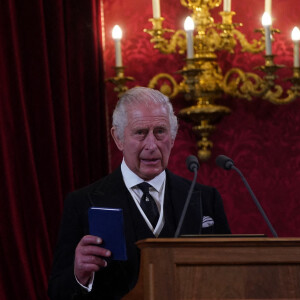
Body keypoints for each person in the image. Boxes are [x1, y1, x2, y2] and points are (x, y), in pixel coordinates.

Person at [48, 87, 231, 299]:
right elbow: (57, 293)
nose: (151, 145)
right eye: (140, 133)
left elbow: (228, 278)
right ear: (118, 138)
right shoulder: (82, 203)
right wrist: (79, 276)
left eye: (160, 132)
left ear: (172, 138)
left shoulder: (206, 199)